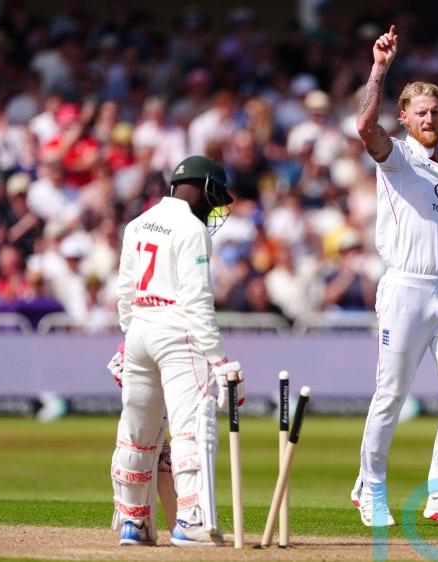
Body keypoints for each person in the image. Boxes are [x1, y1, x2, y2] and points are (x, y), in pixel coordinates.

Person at [351, 25, 438, 528]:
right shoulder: (397, 155)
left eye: (435, 112)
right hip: (405, 286)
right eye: (420, 113)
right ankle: (370, 486)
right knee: (392, 395)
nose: (430, 118)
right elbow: (365, 125)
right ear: (404, 118)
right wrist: (380, 69)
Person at [108, 155, 245, 546]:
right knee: (191, 428)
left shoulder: (137, 224)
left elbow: (124, 292)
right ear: (204, 188)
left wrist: (130, 337)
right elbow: (198, 302)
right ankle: (190, 520)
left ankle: (133, 523)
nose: (215, 208)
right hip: (177, 333)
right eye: (215, 198)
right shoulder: (190, 228)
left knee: (137, 432)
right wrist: (218, 360)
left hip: (140, 330)